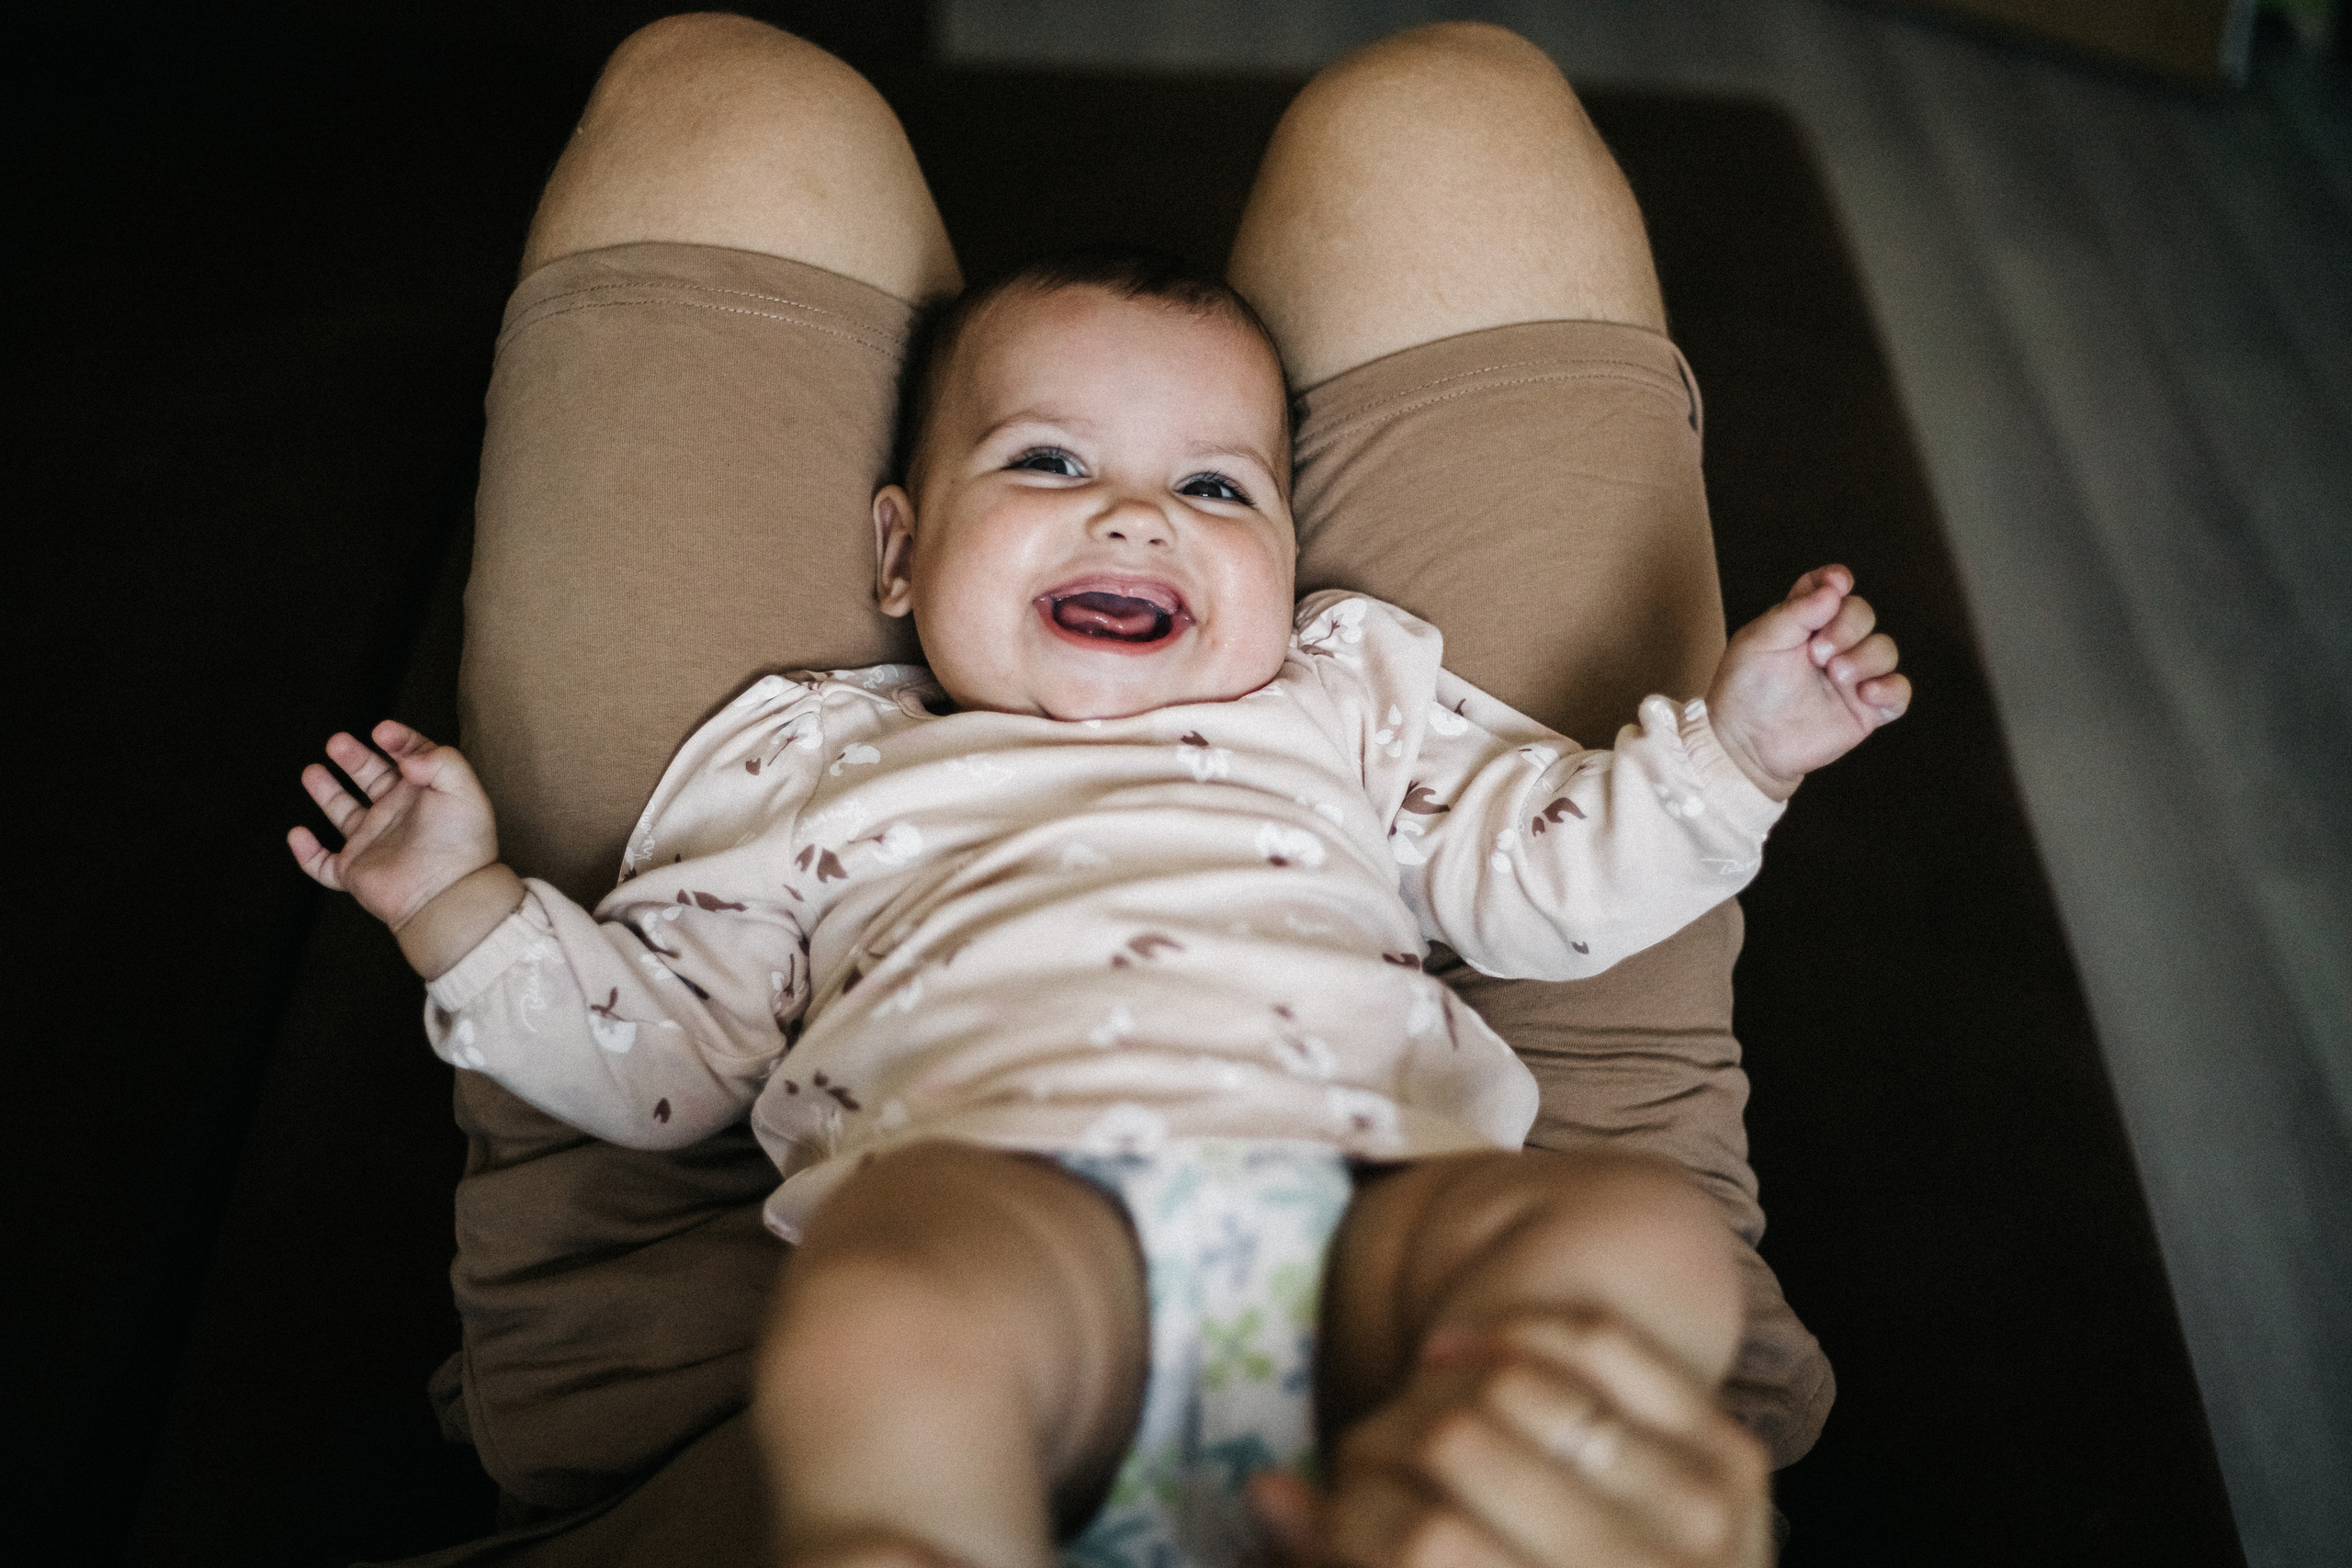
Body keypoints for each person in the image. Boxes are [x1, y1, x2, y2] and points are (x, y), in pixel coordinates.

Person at [326, 15, 1874, 1566]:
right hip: (1021, 1244)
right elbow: (664, 1068)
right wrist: (469, 913)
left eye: (1215, 489)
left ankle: (1514, 1472)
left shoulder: (1344, 707)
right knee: (888, 1307)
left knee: (1634, 1242)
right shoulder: (805, 769)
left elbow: (1549, 888)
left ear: (1287, 566)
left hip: (1382, 1254)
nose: (1136, 519)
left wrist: (1728, 760)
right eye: (1050, 465)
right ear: (898, 554)